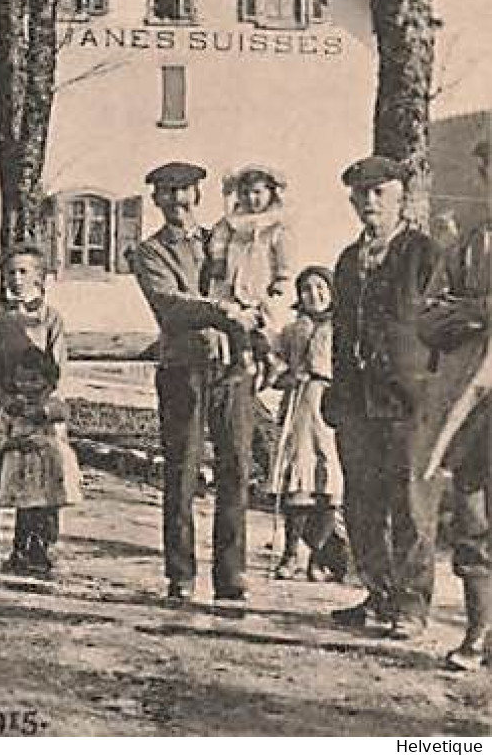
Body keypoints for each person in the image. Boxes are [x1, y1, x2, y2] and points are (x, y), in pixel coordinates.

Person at [325, 155, 446, 639]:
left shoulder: (423, 254)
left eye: (380, 193)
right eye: (361, 194)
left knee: (412, 504)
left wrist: (432, 390)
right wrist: (335, 390)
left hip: (408, 401)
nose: (369, 202)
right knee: (362, 502)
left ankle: (412, 605)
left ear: (400, 198)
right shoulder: (348, 261)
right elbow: (339, 332)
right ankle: (378, 594)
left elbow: (443, 325)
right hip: (356, 401)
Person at [132, 161, 261, 603]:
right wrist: (222, 312)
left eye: (184, 192)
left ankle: (231, 574)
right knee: (183, 472)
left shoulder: (222, 242)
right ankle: (181, 574)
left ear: (198, 196)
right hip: (182, 371)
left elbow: (251, 287)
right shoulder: (148, 253)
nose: (176, 202)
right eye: (166, 193)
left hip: (231, 373)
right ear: (156, 201)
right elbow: (171, 306)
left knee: (237, 469)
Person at [423, 138, 492, 669]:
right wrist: (465, 315)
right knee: (470, 516)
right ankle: (476, 634)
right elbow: (430, 312)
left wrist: (477, 308)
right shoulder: (470, 242)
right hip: (473, 400)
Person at [0, 243, 76, 575]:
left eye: (24, 272)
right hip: (1, 404)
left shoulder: (51, 318)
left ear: (39, 277)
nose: (17, 279)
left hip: (37, 405)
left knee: (37, 472)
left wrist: (42, 403)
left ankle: (32, 542)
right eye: (11, 273)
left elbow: (57, 366)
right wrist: (5, 399)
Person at [270, 266, 347, 581]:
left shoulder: (343, 328)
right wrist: (285, 375)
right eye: (306, 289)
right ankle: (290, 554)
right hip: (299, 408)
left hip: (330, 409)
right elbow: (274, 366)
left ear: (331, 293)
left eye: (320, 288)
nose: (313, 295)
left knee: (327, 483)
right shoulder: (292, 331)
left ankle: (319, 558)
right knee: (297, 483)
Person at [208, 164, 295, 383]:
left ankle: (272, 361)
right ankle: (244, 362)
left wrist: (281, 279)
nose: (251, 198)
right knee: (235, 321)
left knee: (261, 325)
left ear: (270, 193)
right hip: (233, 279)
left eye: (257, 192)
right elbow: (218, 240)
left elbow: (285, 256)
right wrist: (218, 262)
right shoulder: (232, 221)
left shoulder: (276, 225)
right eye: (245, 193)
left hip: (260, 282)